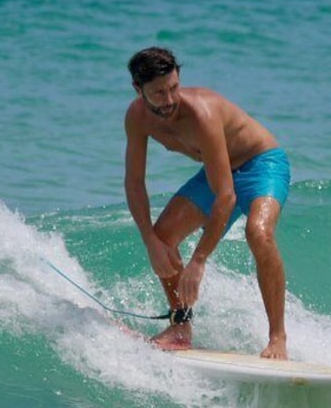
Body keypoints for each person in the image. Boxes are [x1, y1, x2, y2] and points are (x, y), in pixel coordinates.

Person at [123, 47, 291, 359]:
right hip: (218, 170)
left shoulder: (201, 114)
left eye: (174, 88)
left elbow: (226, 195)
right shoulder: (136, 118)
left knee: (259, 233)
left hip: (261, 164)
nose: (169, 100)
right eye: (158, 93)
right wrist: (149, 241)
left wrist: (199, 260)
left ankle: (277, 338)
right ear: (138, 90)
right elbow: (134, 183)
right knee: (163, 238)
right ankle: (180, 326)